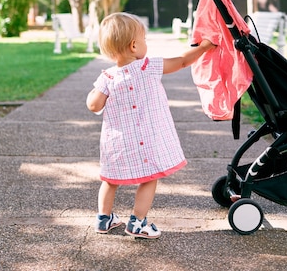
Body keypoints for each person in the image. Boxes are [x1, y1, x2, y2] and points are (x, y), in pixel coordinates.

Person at [86, 12, 215, 239]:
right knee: (149, 178)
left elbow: (94, 105)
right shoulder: (149, 67)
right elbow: (183, 60)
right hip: (148, 141)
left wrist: (95, 92)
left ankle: (104, 219)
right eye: (145, 39)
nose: (147, 44)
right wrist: (204, 47)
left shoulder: (107, 77)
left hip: (118, 143)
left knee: (110, 179)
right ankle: (137, 222)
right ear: (134, 46)